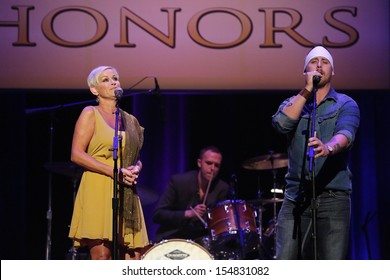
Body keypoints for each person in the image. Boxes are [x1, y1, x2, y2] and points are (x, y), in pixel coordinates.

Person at [271, 46, 360, 259]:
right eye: (313, 61)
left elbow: (346, 134)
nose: (319, 65)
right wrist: (306, 91)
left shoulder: (345, 103)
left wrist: (328, 147)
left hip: (332, 198)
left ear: (333, 71)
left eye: (325, 61)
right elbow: (282, 124)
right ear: (305, 70)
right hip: (295, 197)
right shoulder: (293, 103)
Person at [68, 66, 150, 260]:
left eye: (115, 78)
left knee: (134, 256)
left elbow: (136, 157)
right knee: (102, 256)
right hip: (98, 186)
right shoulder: (90, 113)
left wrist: (135, 168)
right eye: (105, 80)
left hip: (126, 189)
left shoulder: (130, 120)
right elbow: (76, 154)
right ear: (94, 90)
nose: (113, 82)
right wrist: (114, 171)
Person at [152, 146, 230, 245]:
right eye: (209, 163)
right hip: (173, 237)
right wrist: (188, 213)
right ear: (199, 163)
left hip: (201, 241)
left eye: (217, 165)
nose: (212, 168)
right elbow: (158, 215)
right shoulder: (179, 182)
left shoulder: (222, 188)